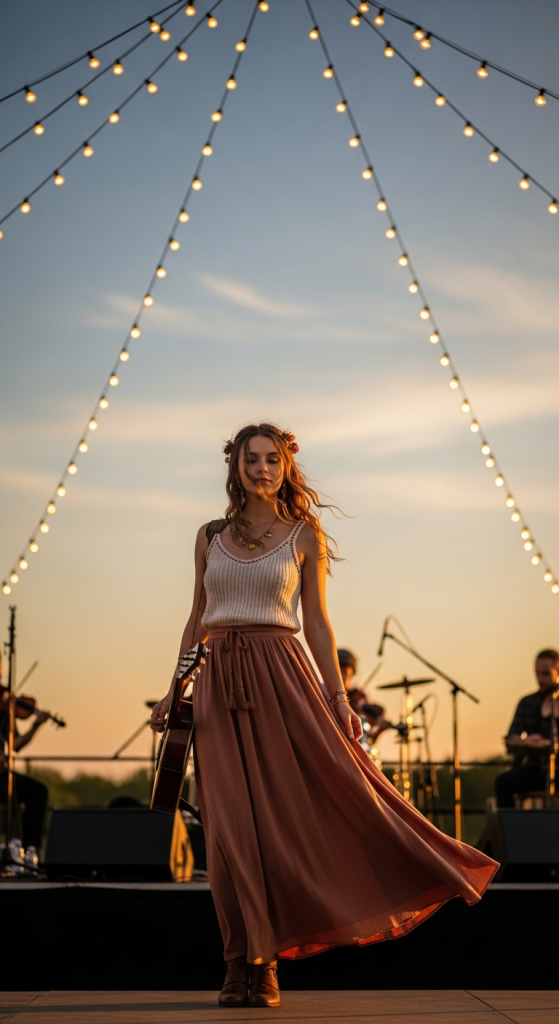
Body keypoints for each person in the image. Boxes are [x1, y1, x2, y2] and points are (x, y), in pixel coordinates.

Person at [151, 423, 498, 1008]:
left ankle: (265, 966)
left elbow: (317, 625)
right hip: (217, 684)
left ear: (286, 466)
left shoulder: (303, 534)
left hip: (283, 677)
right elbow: (197, 617)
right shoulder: (208, 536)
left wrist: (339, 701)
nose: (261, 468)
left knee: (289, 823)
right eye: (250, 459)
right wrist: (174, 687)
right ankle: (238, 961)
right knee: (229, 836)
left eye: (272, 459)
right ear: (233, 466)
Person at [495, 649, 559, 808]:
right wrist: (526, 742)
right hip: (534, 769)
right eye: (537, 674)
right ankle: (511, 831)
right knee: (503, 782)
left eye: (545, 674)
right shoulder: (527, 703)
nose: (540, 679)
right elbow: (510, 739)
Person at [0, 696, 49, 851]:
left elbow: (16, 744)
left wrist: (35, 726)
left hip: (1, 773)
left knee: (38, 792)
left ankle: (29, 851)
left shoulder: (5, 714)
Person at [337, 648, 391, 739]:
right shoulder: (324, 691)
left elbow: (368, 738)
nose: (341, 674)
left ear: (353, 672)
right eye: (338, 669)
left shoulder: (359, 696)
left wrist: (378, 730)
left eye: (344, 671)